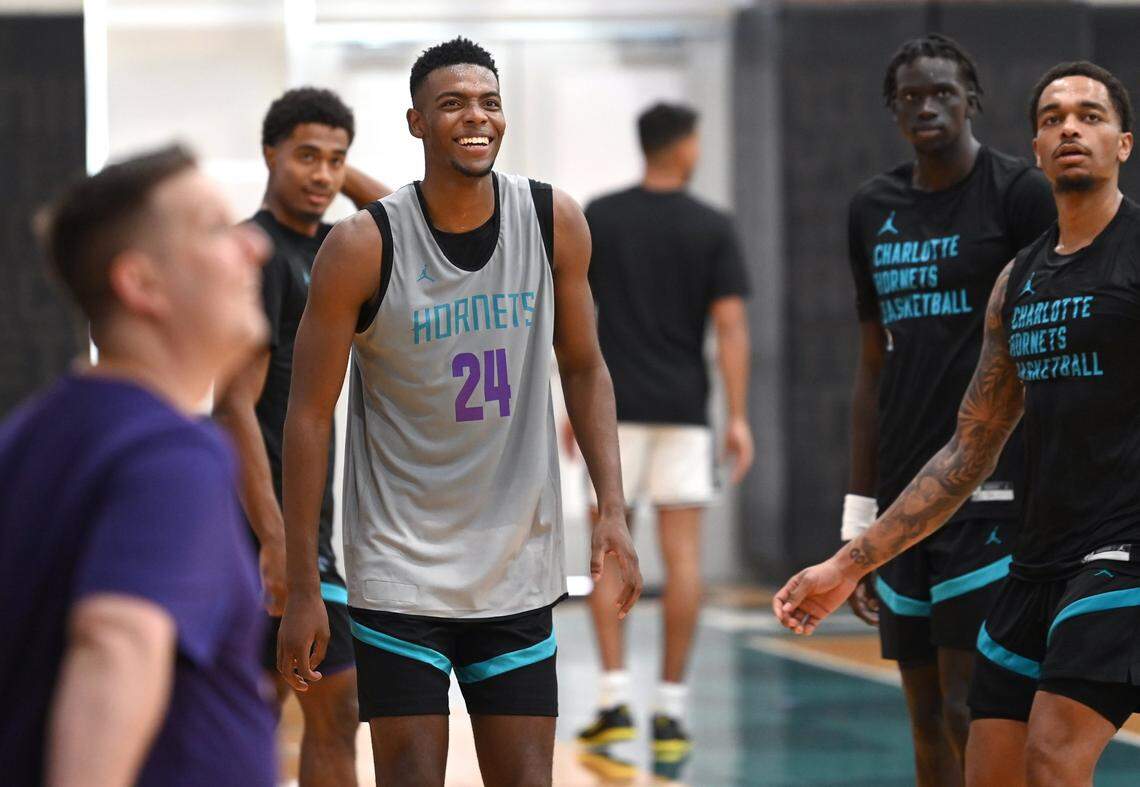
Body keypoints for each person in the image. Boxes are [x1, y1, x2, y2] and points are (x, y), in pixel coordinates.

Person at [275, 37, 642, 786]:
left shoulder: (553, 219)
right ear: (416, 122)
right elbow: (308, 415)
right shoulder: (361, 246)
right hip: (398, 567)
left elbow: (584, 365)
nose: (476, 116)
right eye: (452, 103)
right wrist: (304, 584)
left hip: (516, 564)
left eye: (489, 102)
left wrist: (612, 505)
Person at [775, 60, 1140, 787]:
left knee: (1052, 756)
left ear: (1123, 144)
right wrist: (848, 564)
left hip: (1123, 549)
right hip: (1039, 556)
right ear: (1036, 148)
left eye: (1090, 116)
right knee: (988, 764)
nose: (1070, 128)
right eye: (1053, 119)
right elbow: (967, 450)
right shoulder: (1018, 280)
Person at [0, 146, 275, 786]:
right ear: (142, 284)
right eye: (216, 228)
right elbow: (115, 641)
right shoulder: (174, 455)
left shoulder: (23, 441)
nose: (255, 247)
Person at [842, 34, 1055, 784]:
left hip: (992, 493)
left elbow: (1051, 340)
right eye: (911, 96)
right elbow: (872, 366)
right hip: (905, 494)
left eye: (942, 93)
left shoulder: (1020, 195)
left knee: (975, 708)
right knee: (927, 715)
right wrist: (859, 520)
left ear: (972, 101)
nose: (926, 106)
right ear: (894, 109)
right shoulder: (872, 208)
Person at [214, 86, 389, 787]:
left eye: (336, 160)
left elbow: (404, 222)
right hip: (258, 530)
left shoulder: (334, 248)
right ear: (270, 154)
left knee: (326, 705)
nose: (322, 174)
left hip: (304, 529)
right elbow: (232, 405)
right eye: (306, 156)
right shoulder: (256, 254)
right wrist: (275, 540)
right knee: (266, 711)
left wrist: (337, 174)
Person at [572, 102, 753, 757]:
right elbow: (730, 327)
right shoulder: (712, 226)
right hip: (682, 411)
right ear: (684, 147)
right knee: (684, 561)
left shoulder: (601, 216)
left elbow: (577, 317)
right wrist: (737, 415)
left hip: (610, 411)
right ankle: (671, 712)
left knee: (606, 551)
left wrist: (572, 405)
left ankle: (612, 700)